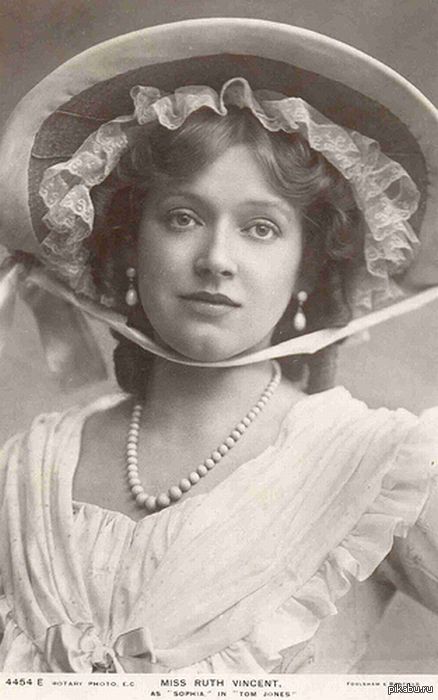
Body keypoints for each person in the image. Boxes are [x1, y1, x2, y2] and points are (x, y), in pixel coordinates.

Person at [0, 18, 437, 674]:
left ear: (308, 266)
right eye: (183, 218)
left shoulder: (376, 465)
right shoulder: (24, 474)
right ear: (129, 243)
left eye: (261, 228)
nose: (216, 259)